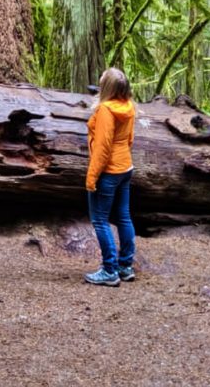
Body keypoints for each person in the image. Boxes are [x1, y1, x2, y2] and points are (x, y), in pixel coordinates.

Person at [84, 67, 137, 287]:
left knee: (100, 220)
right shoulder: (129, 106)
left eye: (102, 78)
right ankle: (125, 266)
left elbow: (103, 148)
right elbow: (129, 139)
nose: (99, 79)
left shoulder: (106, 110)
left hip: (108, 171)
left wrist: (92, 177)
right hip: (125, 167)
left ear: (108, 87)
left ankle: (109, 270)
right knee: (124, 217)